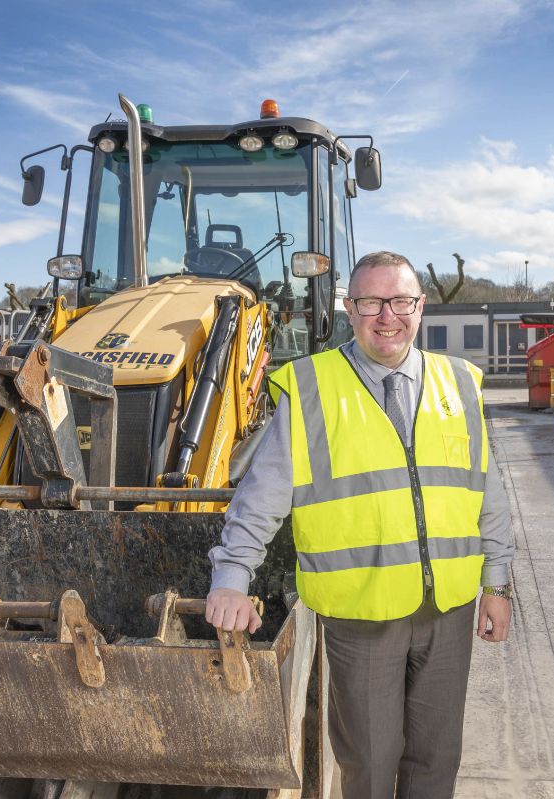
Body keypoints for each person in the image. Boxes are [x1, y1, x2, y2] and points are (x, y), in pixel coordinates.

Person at [207, 250, 514, 798]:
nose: (386, 316)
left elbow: (486, 493)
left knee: (437, 760)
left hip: (447, 608)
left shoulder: (461, 384)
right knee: (369, 765)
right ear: (350, 308)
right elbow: (262, 496)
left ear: (420, 308)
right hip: (361, 614)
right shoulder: (311, 389)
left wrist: (497, 583)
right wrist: (232, 575)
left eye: (400, 301)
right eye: (371, 302)